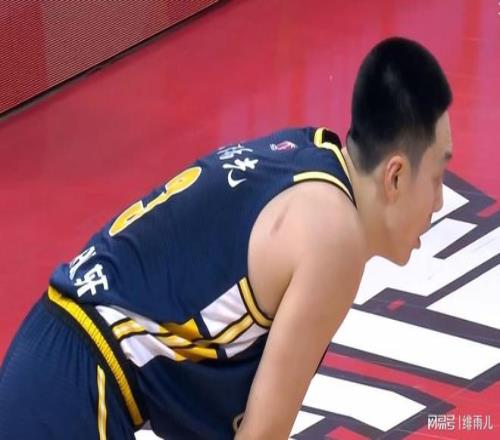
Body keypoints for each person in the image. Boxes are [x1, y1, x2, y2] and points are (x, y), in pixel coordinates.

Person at [0, 36, 453, 439]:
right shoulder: (335, 237)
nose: (438, 201)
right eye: (436, 178)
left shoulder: (306, 152)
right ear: (395, 175)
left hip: (52, 362)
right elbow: (263, 433)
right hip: (77, 393)